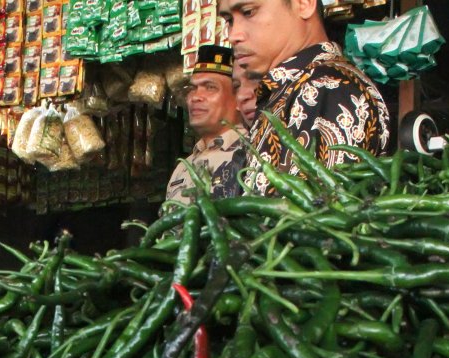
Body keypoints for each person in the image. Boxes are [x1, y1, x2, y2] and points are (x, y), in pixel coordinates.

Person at [220, 0, 391, 196]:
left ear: (304, 3)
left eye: (249, 12)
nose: (233, 35)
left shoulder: (325, 87)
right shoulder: (290, 88)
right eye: (229, 20)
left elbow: (318, 216)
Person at [164, 45, 245, 207]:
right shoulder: (183, 167)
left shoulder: (253, 153)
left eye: (210, 87)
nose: (196, 97)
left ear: (239, 98)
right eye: (193, 88)